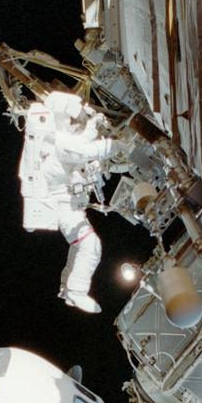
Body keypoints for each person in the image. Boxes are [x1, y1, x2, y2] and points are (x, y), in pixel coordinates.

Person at [18, 91, 118, 314]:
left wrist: (94, 124)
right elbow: (86, 150)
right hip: (62, 206)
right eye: (76, 119)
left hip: (67, 204)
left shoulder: (55, 140)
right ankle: (76, 291)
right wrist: (122, 145)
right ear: (65, 117)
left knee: (81, 245)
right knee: (90, 246)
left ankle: (68, 289)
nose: (78, 123)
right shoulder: (59, 143)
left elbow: (81, 143)